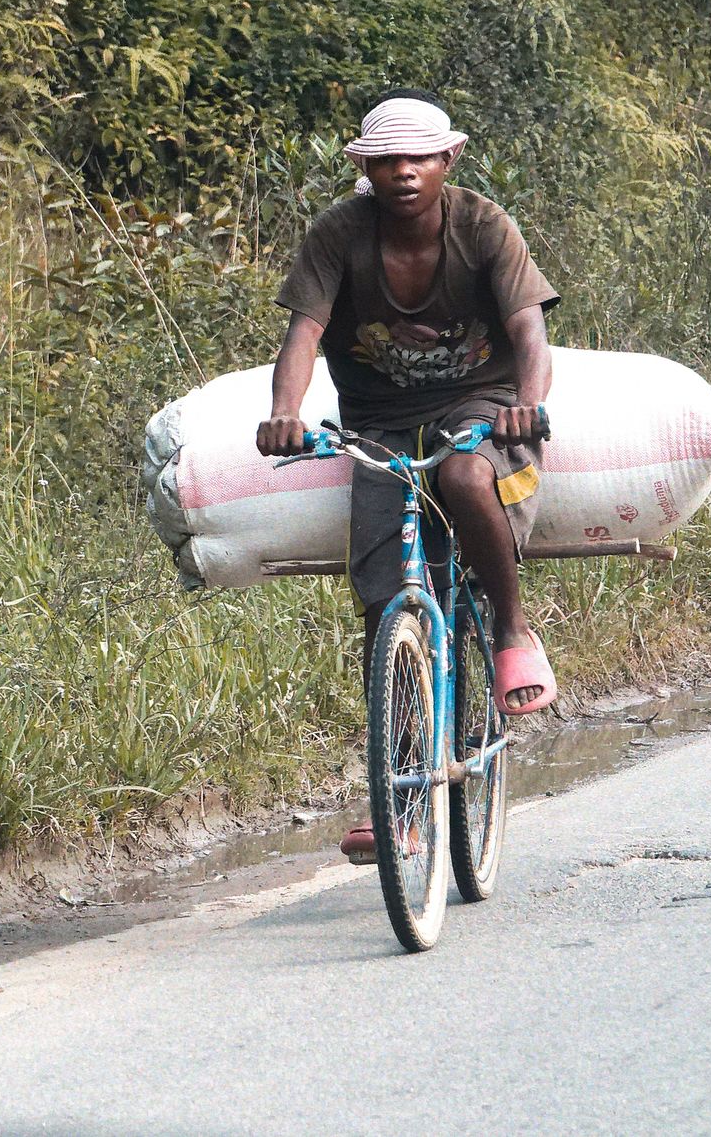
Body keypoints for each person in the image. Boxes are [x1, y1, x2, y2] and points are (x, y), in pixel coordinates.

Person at [256, 89, 559, 864]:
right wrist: (284, 411)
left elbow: (528, 329)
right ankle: (401, 804)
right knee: (384, 601)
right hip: (379, 421)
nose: (403, 172)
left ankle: (511, 628)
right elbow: (304, 332)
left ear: (448, 159)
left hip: (480, 405)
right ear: (365, 166)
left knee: (464, 479)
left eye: (419, 157)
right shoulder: (339, 235)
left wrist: (527, 405)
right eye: (386, 159)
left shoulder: (484, 226)